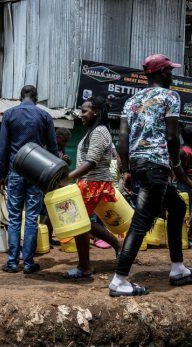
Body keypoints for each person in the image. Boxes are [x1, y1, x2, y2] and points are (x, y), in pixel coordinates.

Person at [108, 54, 192, 297]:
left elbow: (122, 139)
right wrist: (175, 164)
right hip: (157, 166)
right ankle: (119, 280)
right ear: (161, 73)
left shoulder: (131, 101)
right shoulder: (170, 96)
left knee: (177, 206)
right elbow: (172, 137)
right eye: (170, 71)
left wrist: (128, 169)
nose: (172, 74)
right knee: (141, 222)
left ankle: (178, 268)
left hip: (140, 164)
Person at [0, 85, 59, 274]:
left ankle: (13, 262)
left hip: (15, 171)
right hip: (37, 173)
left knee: (14, 217)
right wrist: (54, 175)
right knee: (32, 217)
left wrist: (1, 175)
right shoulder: (44, 116)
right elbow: (53, 148)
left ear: (20, 97)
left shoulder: (9, 115)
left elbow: (3, 148)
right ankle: (29, 262)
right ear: (36, 97)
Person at [60, 97, 122, 278]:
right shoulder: (94, 131)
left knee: (78, 223)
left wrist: (68, 178)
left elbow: (92, 162)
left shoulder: (99, 132)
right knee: (81, 222)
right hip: (89, 182)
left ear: (95, 111)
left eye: (84, 111)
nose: (81, 115)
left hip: (94, 183)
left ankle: (85, 266)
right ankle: (117, 244)